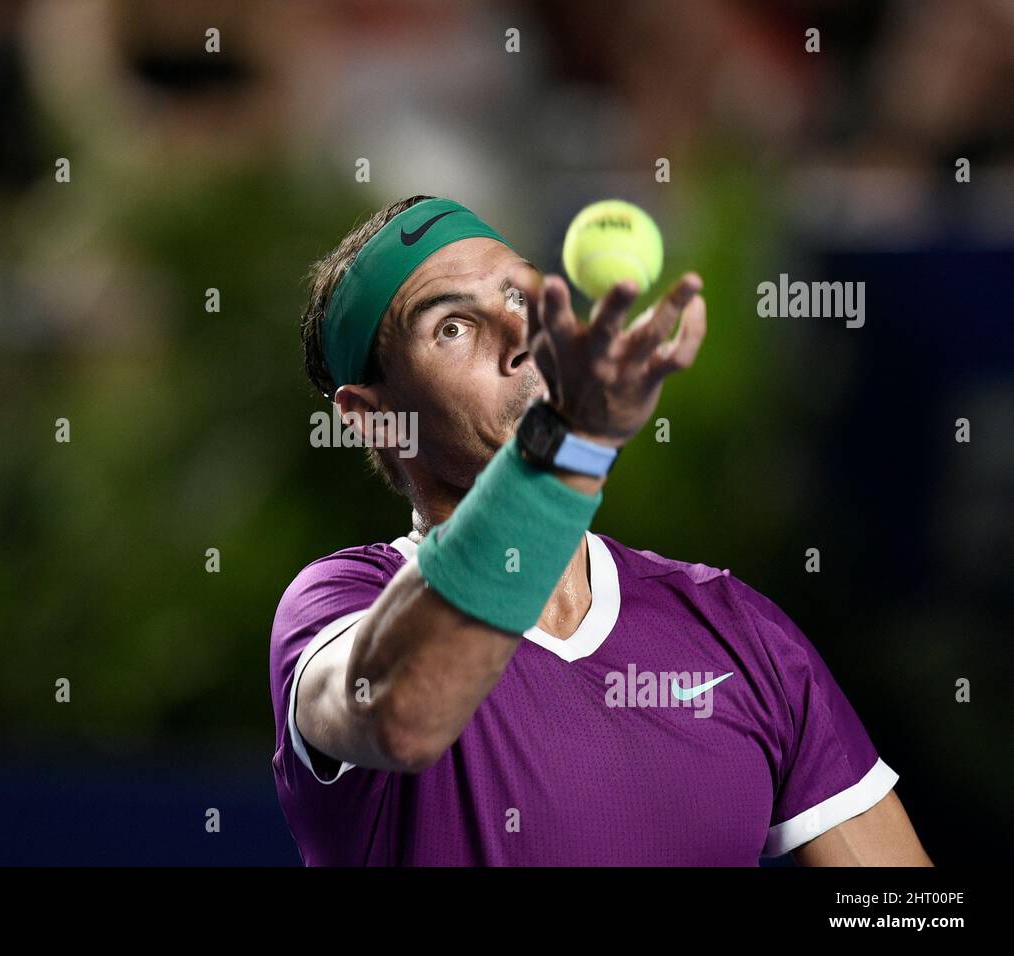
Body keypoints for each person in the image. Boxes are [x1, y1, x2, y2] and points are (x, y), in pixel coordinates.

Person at [270, 195, 931, 866]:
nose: (518, 335)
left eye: (521, 298)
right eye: (452, 327)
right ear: (375, 418)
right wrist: (569, 447)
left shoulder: (737, 630)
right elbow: (403, 714)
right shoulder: (340, 606)